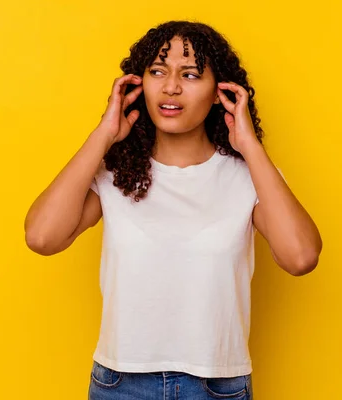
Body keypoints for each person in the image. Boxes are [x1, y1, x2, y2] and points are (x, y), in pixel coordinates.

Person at [24, 20, 322, 400]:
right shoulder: (115, 173)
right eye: (158, 72)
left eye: (191, 74)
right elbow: (41, 237)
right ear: (137, 84)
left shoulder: (250, 176)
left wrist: (249, 146)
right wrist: (103, 133)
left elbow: (301, 257)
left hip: (218, 387)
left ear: (221, 92)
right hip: (121, 384)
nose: (171, 87)